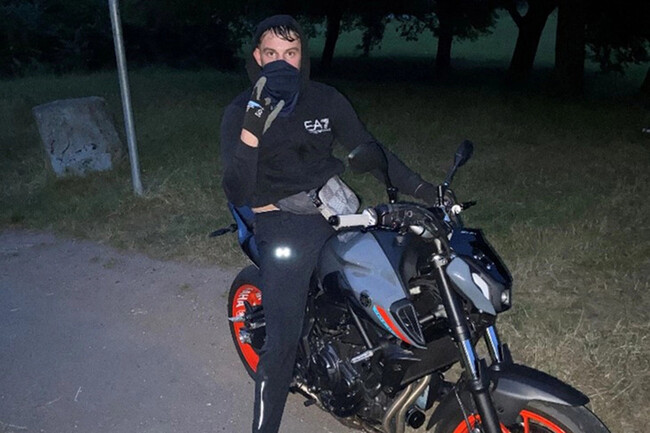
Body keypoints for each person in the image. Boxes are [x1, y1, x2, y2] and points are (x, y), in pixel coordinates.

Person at [220, 15, 437, 433]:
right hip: (280, 221)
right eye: (271, 54)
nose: (281, 62)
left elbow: (369, 148)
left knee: (389, 279)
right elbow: (236, 189)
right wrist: (252, 129)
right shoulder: (239, 111)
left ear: (302, 56)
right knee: (282, 342)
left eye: (290, 53)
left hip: (334, 209)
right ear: (257, 58)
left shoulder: (324, 99)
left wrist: (424, 189)